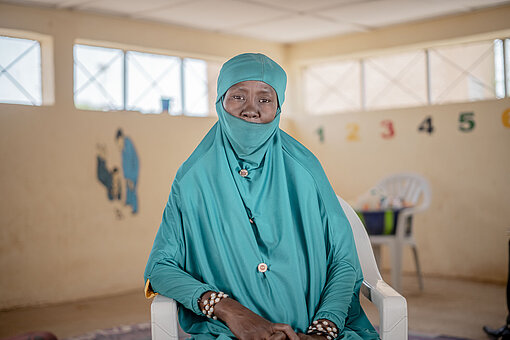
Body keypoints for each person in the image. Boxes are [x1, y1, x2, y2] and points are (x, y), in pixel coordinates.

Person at [144, 53, 379, 339]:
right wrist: (229, 310)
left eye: (265, 99)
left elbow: (343, 260)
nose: (251, 109)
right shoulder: (192, 178)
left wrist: (323, 329)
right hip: (228, 332)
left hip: (313, 329)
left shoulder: (306, 169)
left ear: (279, 107)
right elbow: (160, 268)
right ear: (220, 103)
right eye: (238, 97)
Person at [116, 129, 139, 214]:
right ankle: (129, 201)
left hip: (132, 171)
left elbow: (130, 161)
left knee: (132, 187)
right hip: (128, 172)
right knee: (128, 187)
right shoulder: (124, 146)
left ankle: (135, 208)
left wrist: (129, 176)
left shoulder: (127, 144)